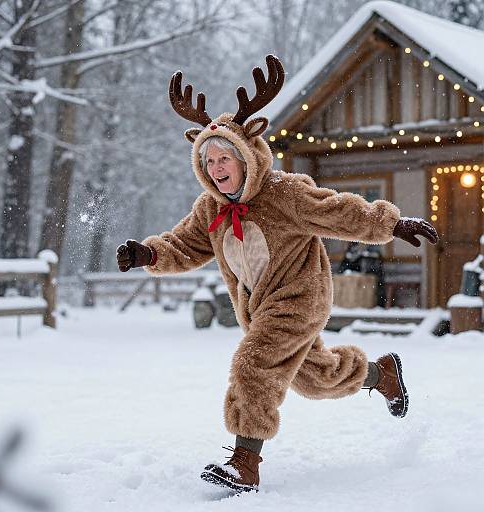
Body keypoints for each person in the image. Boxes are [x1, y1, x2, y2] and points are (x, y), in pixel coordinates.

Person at [116, 55, 438, 493]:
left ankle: (245, 460)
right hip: (259, 307)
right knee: (316, 378)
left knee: (254, 363)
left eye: (223, 159)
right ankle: (382, 375)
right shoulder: (209, 208)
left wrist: (390, 223)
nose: (216, 170)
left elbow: (336, 210)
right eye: (207, 163)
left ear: (247, 155)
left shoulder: (283, 192)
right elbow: (184, 245)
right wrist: (145, 254)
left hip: (300, 297)